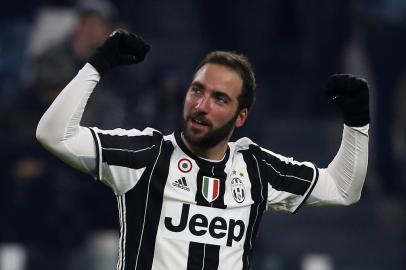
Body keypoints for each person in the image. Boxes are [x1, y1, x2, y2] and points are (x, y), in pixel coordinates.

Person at [36, 29, 369, 270]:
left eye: (219, 99)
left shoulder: (256, 169)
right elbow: (54, 135)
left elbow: (343, 189)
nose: (201, 105)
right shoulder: (146, 155)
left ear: (241, 117)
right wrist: (97, 66)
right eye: (197, 90)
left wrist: (356, 123)